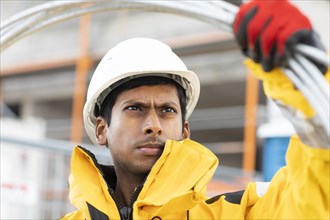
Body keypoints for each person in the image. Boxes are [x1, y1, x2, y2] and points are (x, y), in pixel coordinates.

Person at [62, 0, 329, 219]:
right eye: (135, 108)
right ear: (101, 129)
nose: (153, 124)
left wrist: (307, 83)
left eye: (167, 110)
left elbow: (314, 195)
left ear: (184, 131)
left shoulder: (238, 214)